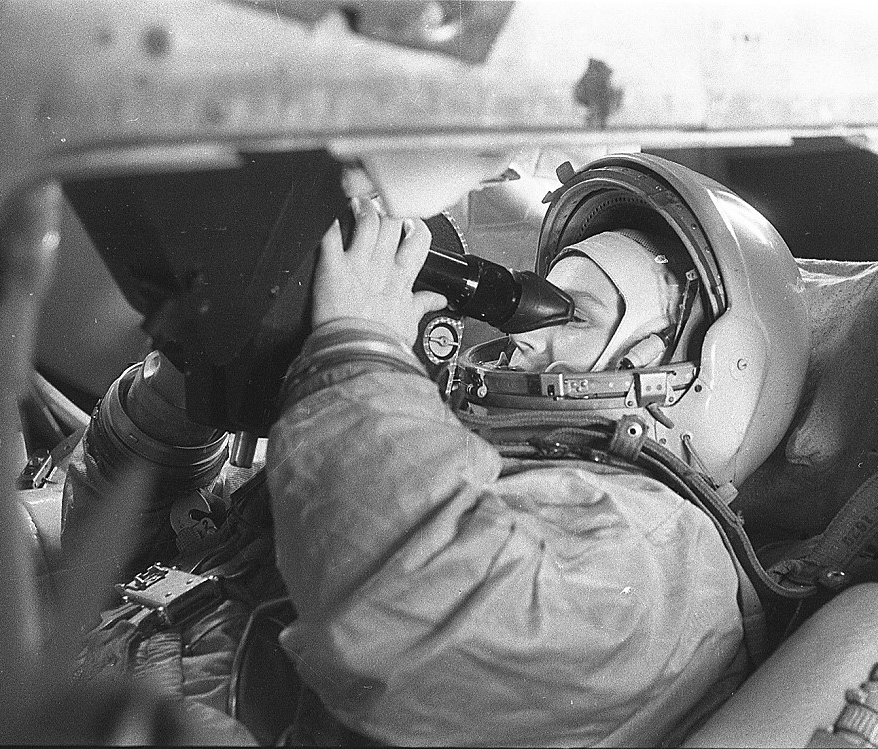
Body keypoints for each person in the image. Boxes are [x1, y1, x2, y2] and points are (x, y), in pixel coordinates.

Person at [267, 153, 811, 745]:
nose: (522, 334)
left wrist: (358, 351)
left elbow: (411, 607)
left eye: (573, 318)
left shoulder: (662, 548)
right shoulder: (471, 452)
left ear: (663, 368)